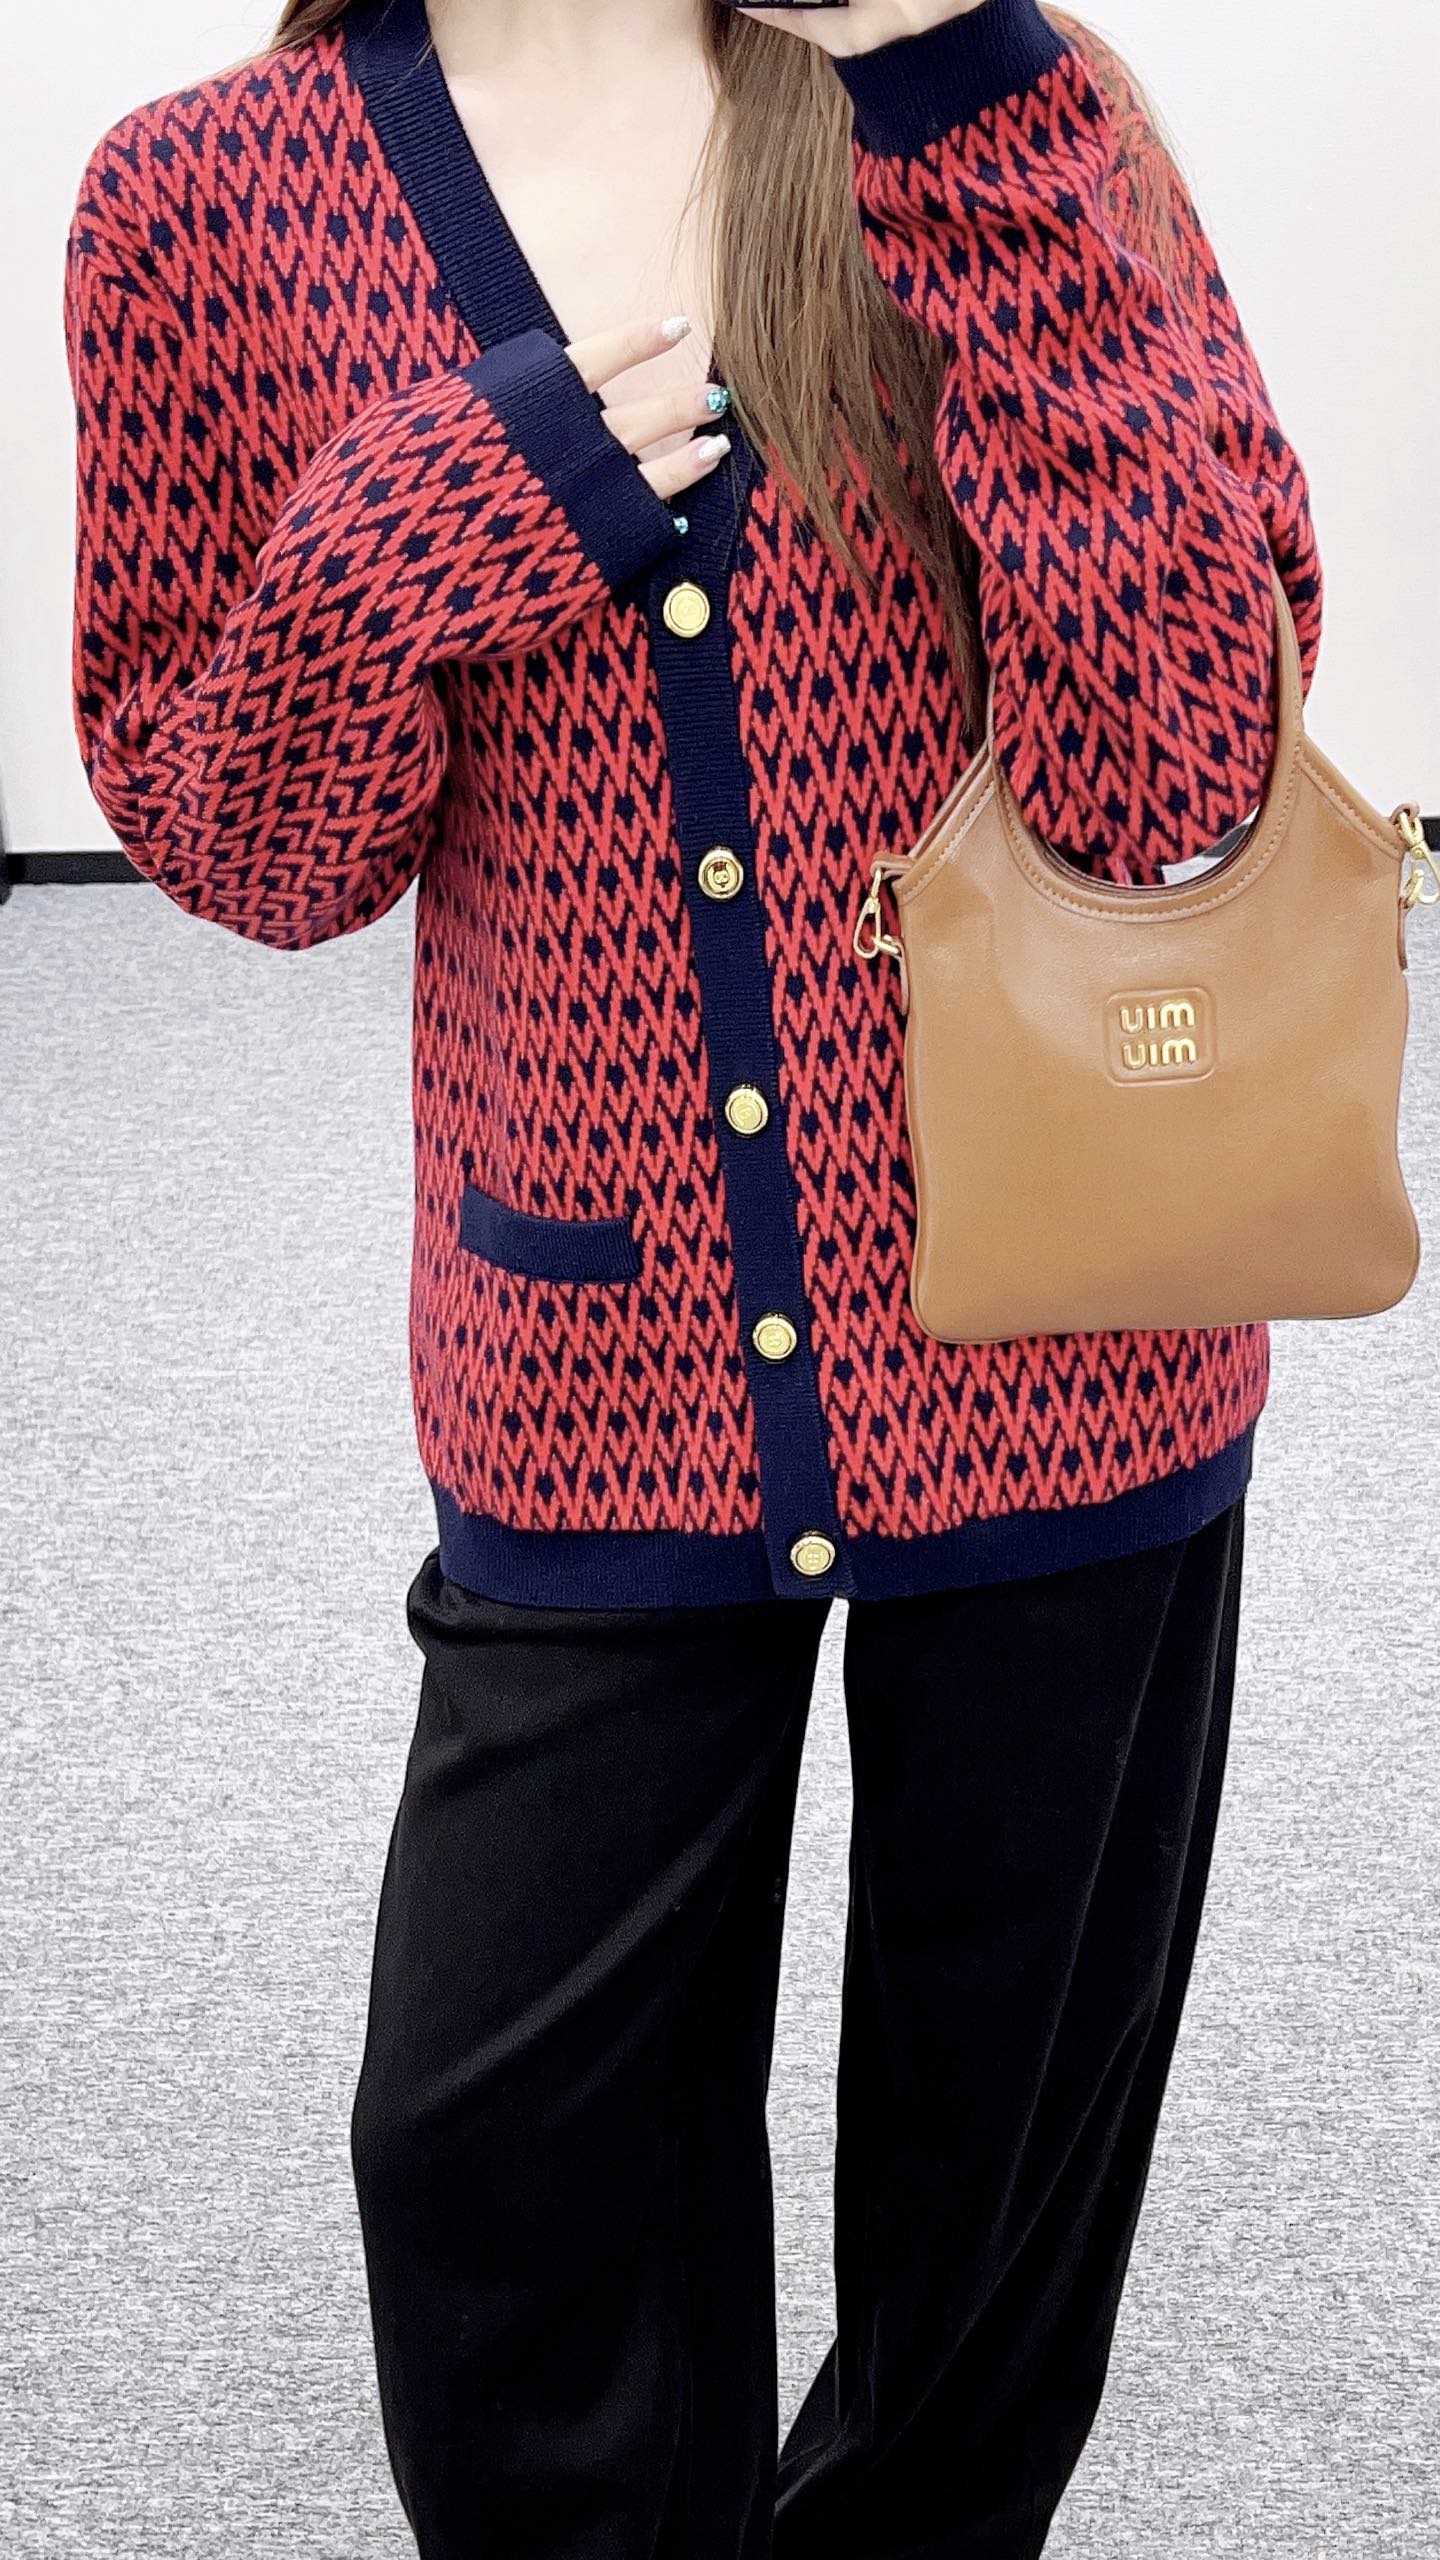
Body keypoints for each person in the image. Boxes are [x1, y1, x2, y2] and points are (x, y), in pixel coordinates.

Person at [64, 0, 1323, 2550]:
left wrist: (966, 118)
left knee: (991, 2236)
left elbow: (1181, 773)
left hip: (1069, 1348)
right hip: (590, 1347)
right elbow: (252, 852)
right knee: (492, 2161)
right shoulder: (203, 196)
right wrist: (404, 540)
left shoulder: (1003, 104)